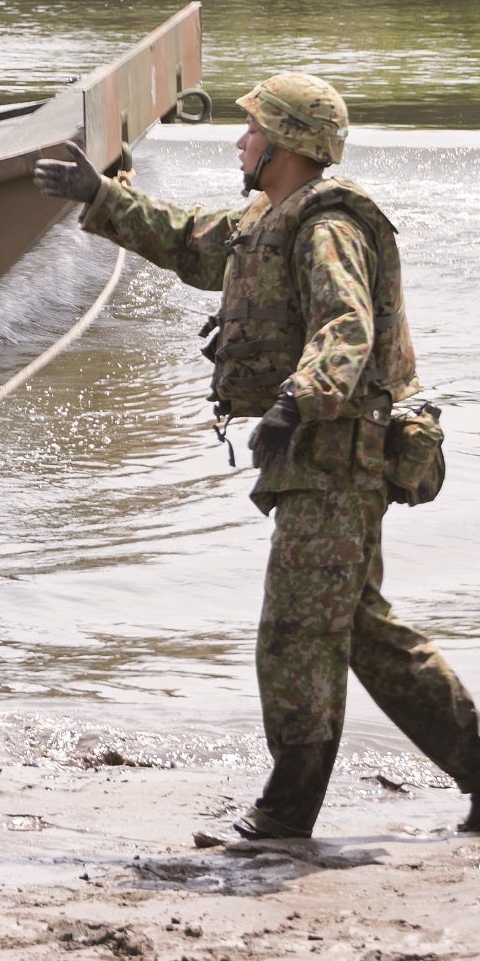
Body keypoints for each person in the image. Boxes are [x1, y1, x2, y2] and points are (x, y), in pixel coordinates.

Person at [35, 73, 480, 840]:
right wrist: (97, 197)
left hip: (336, 457)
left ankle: (286, 811)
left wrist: (292, 403)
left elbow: (346, 329)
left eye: (250, 130)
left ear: (283, 146)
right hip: (326, 459)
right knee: (365, 634)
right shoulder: (268, 220)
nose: (238, 141)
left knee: (295, 635)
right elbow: (187, 240)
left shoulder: (325, 227)